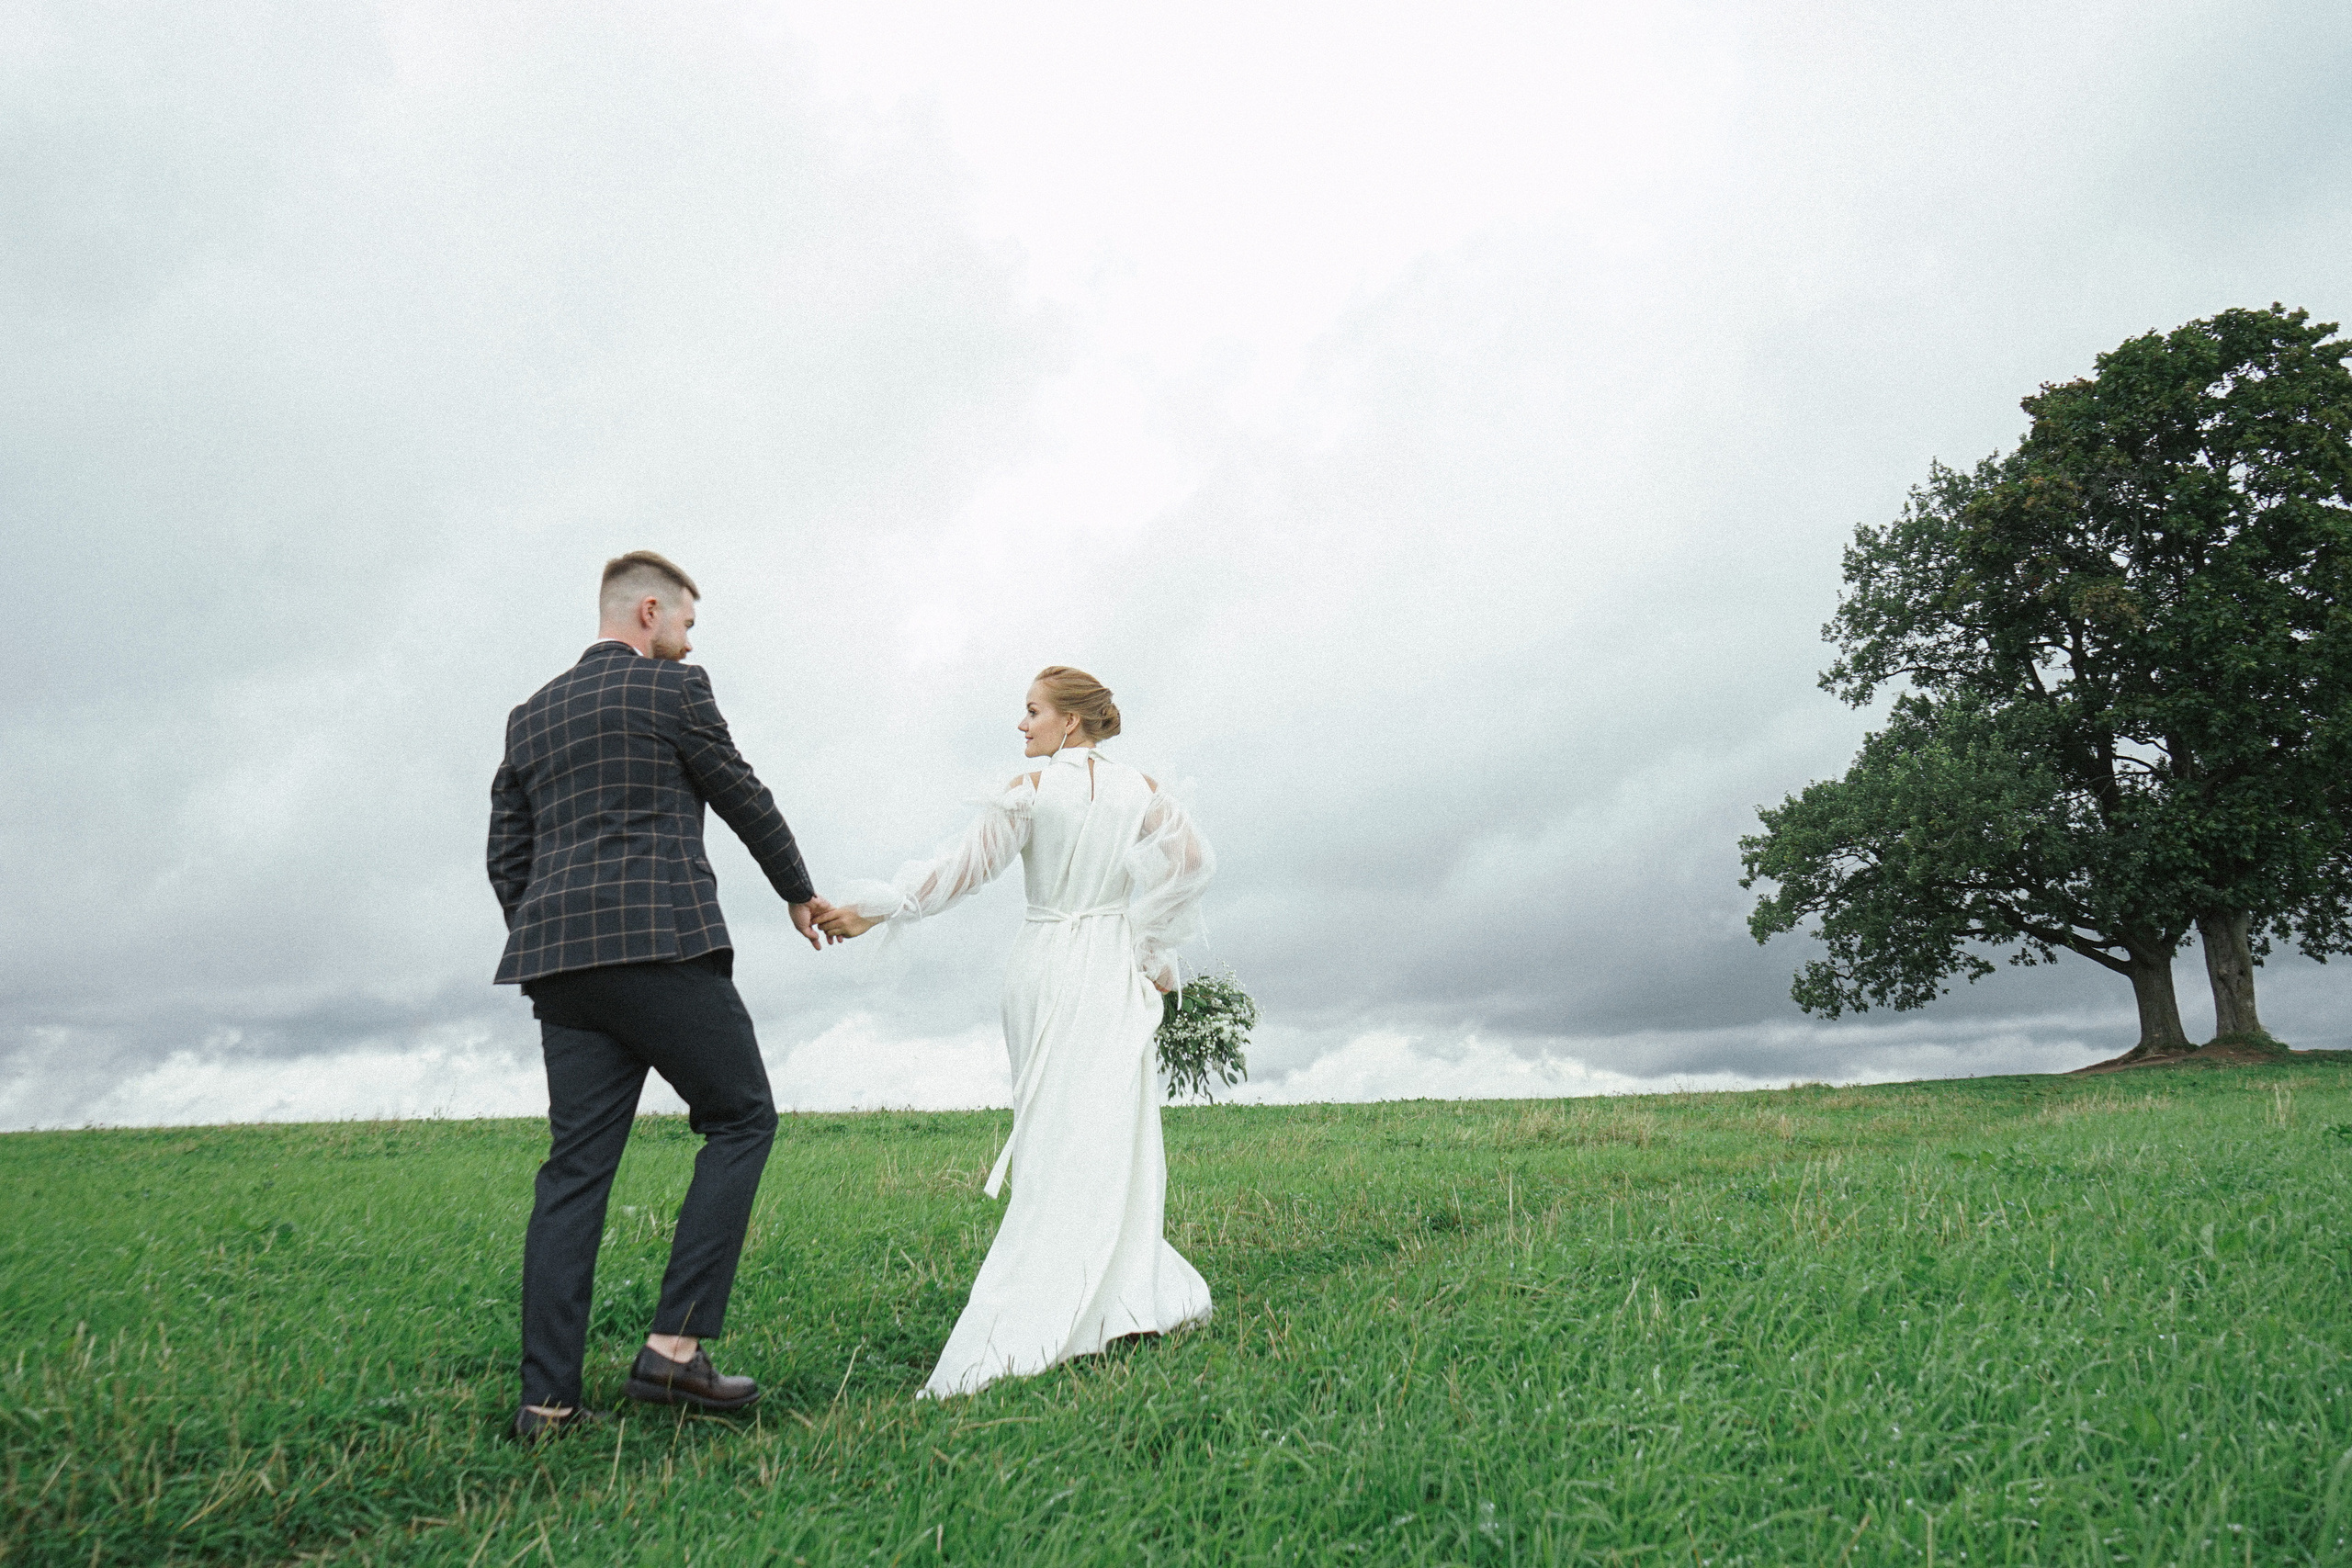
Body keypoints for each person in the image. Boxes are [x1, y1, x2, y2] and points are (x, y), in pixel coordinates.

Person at [487, 550, 831, 1442]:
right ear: (648, 611)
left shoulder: (529, 715)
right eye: (685, 620)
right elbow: (740, 791)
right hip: (660, 944)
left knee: (574, 1170)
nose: (688, 638)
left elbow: (506, 853)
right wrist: (798, 891)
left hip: (560, 966)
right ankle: (674, 1349)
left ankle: (545, 1403)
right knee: (742, 1117)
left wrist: (553, 933)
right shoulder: (674, 691)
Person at [818, 666, 1216, 1397]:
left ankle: (1055, 1294)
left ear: (1071, 721)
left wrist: (879, 907)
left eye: (1033, 711)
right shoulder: (1143, 790)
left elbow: (959, 871)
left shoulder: (1030, 792)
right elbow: (1192, 862)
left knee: (1051, 1128)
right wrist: (1150, 949)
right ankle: (1123, 1298)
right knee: (1110, 1127)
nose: (1023, 724)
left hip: (1045, 965)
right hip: (1110, 965)